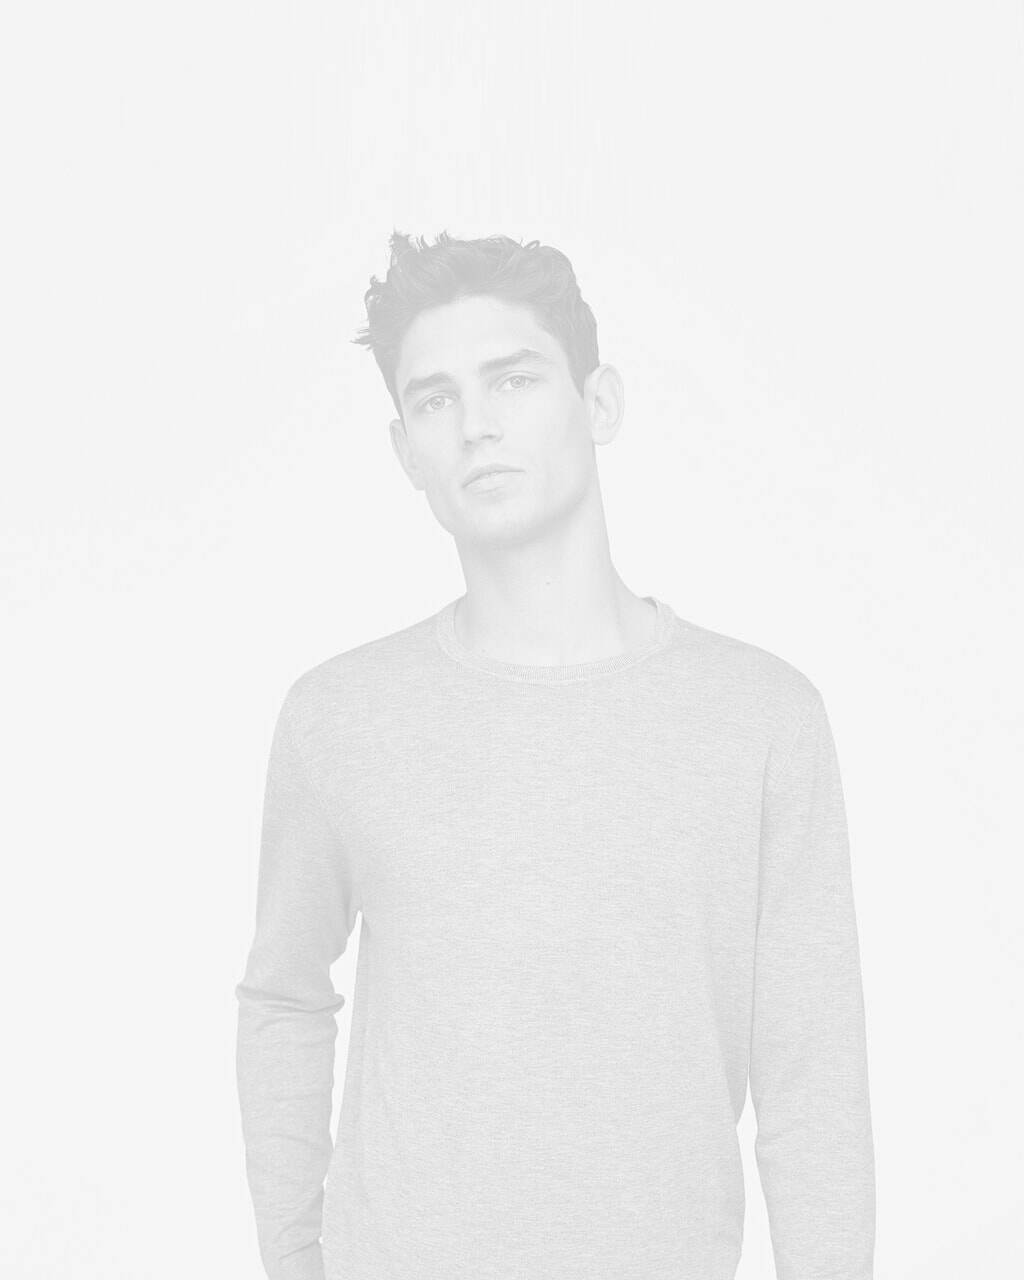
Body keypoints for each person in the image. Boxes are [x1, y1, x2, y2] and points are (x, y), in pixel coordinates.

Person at [234, 230, 876, 1280]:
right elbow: (284, 998)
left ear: (599, 402)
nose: (476, 424)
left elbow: (814, 1083)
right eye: (435, 399)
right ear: (406, 452)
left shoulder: (761, 719)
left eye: (514, 379)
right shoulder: (338, 720)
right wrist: (297, 1261)